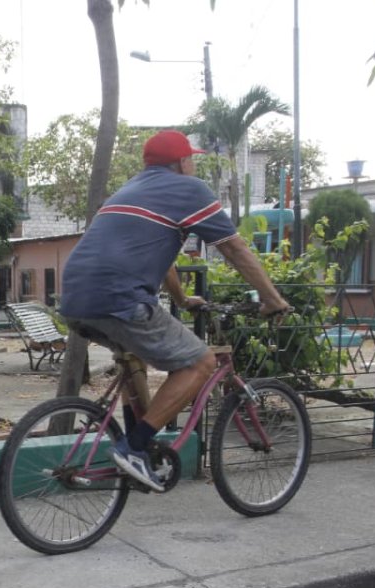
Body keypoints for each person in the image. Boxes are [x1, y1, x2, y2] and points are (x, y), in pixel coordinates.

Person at [58, 129, 291, 492]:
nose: (193, 165)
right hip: (121, 298)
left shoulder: (129, 190)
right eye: (191, 159)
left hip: (74, 298)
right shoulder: (189, 189)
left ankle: (135, 450)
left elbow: (163, 260)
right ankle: (134, 448)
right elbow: (234, 248)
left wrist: (181, 300)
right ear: (182, 162)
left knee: (133, 356)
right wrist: (272, 298)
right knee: (200, 363)